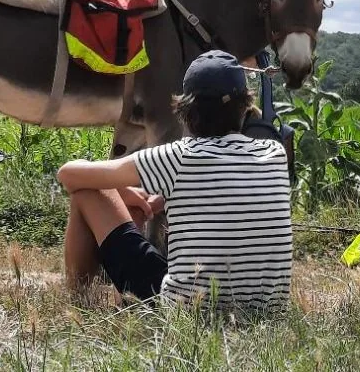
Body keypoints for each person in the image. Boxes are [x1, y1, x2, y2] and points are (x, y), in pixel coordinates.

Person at [57, 50, 292, 312]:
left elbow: (68, 174)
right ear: (245, 108)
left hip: (186, 311)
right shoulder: (274, 154)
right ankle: (118, 299)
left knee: (87, 193)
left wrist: (121, 189)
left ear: (186, 112)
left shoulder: (178, 157)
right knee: (138, 205)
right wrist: (162, 198)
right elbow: (224, 190)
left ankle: (81, 303)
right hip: (266, 310)